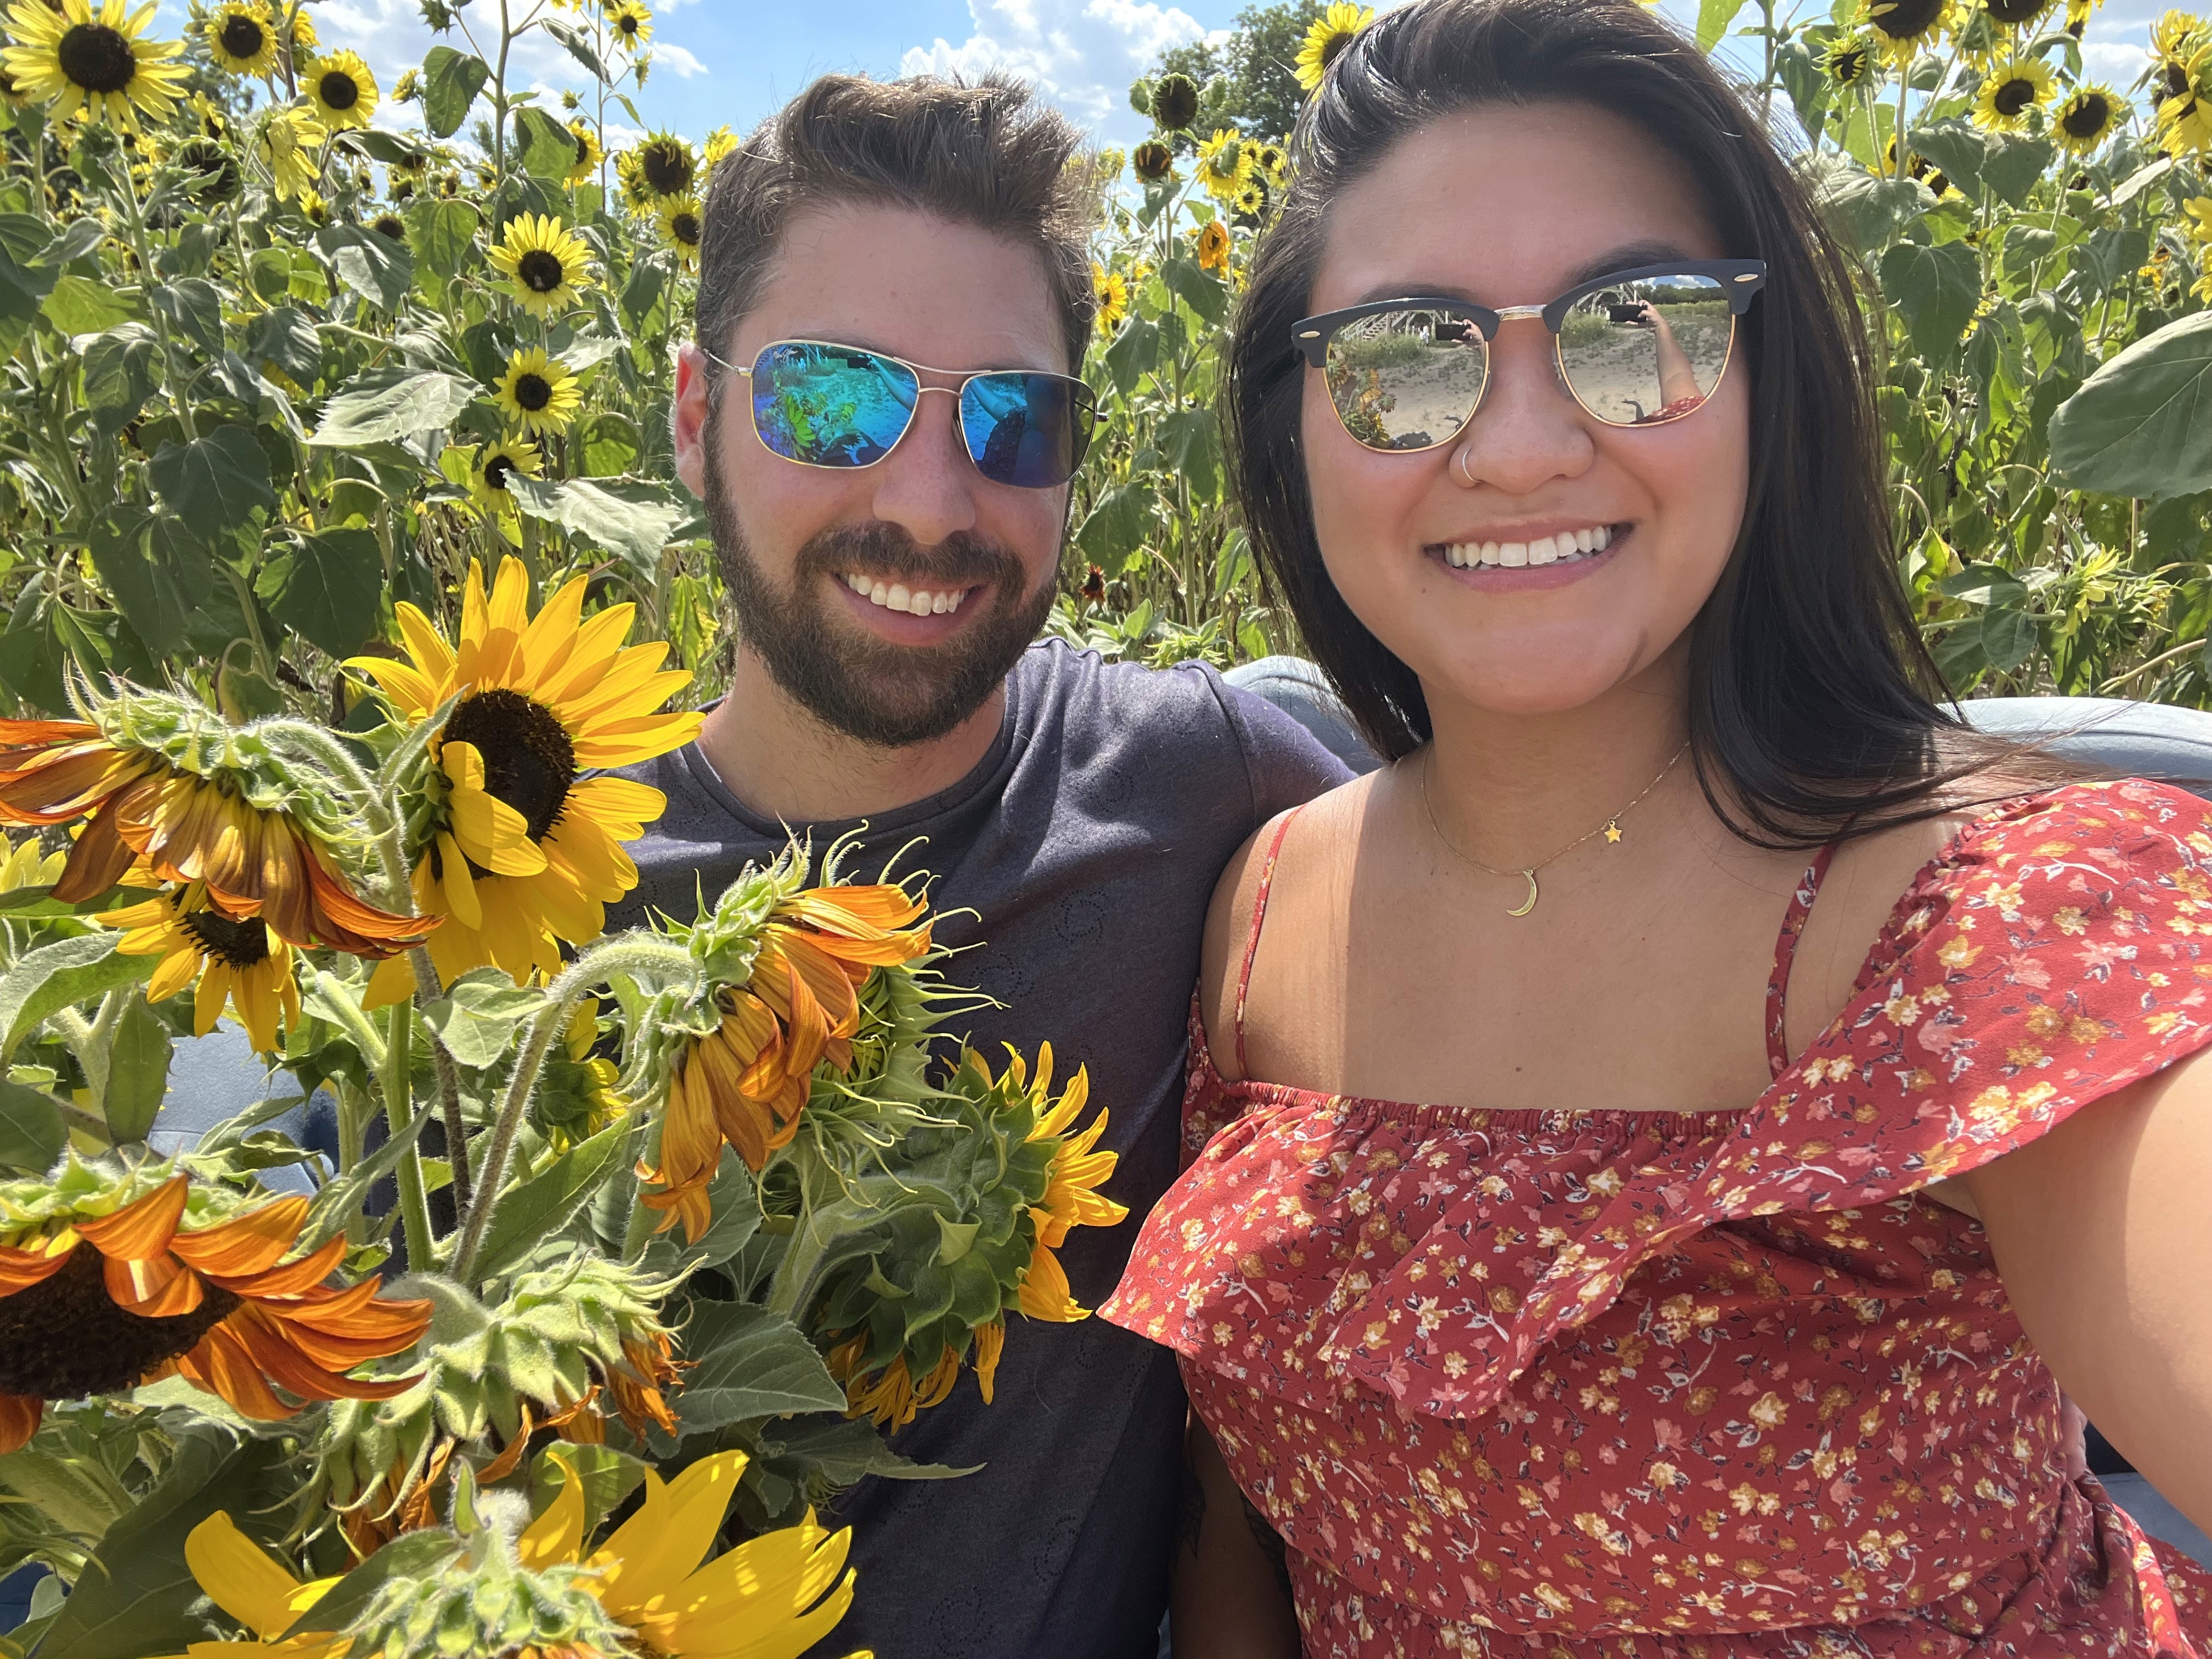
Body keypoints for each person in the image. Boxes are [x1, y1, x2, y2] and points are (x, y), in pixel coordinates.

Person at [1098, 2, 2212, 1655]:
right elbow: (1235, 1529)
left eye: (1643, 325)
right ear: (1292, 425)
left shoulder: (1989, 925)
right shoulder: (1263, 902)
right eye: (1407, 353)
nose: (1529, 444)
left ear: (1766, 384)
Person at [611, 71, 1351, 1658]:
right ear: (692, 418)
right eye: (832, 400)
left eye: (1013, 420)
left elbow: (1537, 856)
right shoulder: (535, 910)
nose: (933, 502)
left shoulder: (1189, 784)